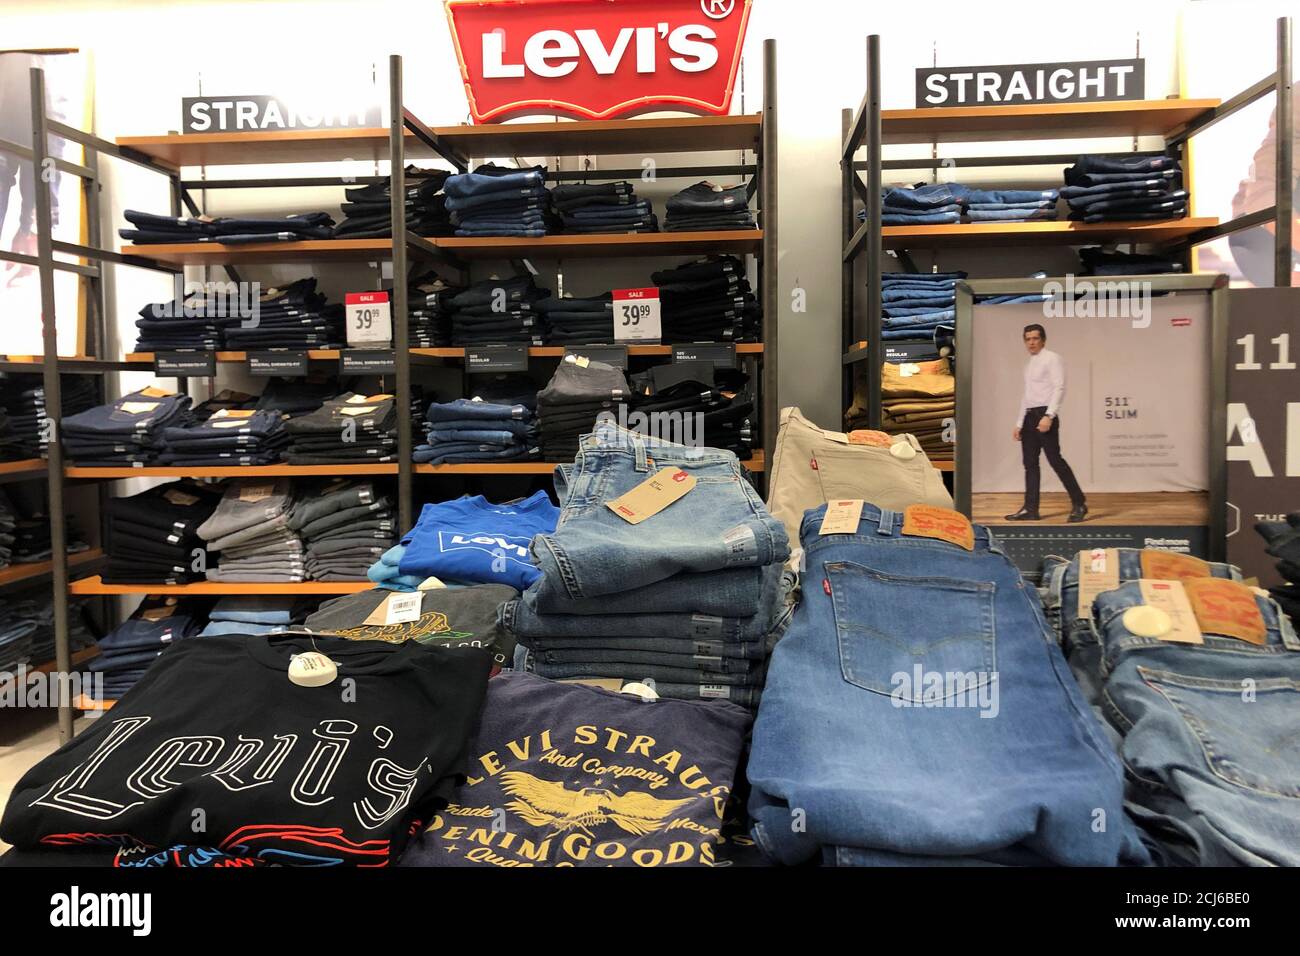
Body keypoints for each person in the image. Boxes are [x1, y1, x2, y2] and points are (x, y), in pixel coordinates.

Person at [1005, 323, 1087, 523]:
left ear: (1043, 339)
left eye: (1035, 338)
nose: (1031, 342)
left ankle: (1079, 503)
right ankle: (1030, 509)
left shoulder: (1052, 358)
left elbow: (1059, 387)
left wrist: (1049, 415)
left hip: (1044, 414)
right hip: (1029, 415)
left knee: (1055, 460)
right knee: (1030, 464)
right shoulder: (1029, 364)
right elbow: (1027, 395)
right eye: (1028, 339)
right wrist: (1019, 422)